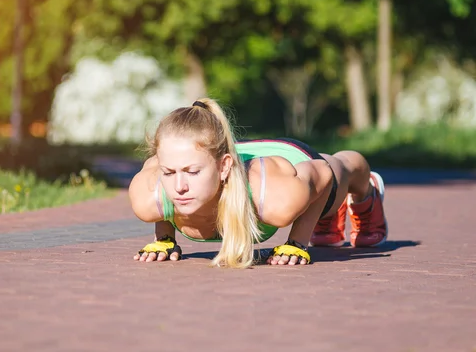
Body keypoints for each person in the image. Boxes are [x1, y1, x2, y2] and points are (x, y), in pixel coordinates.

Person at [128, 98, 387, 268]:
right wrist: (164, 239)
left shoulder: (273, 197)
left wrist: (297, 243)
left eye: (191, 172)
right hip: (216, 155)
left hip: (290, 163)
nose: (179, 186)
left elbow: (323, 172)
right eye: (169, 172)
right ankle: (323, 215)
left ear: (224, 167)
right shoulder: (150, 193)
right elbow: (165, 179)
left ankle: (367, 192)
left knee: (339, 172)